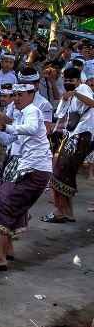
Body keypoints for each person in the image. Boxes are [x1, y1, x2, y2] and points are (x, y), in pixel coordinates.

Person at [0, 82, 53, 269]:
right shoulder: (21, 114)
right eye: (15, 94)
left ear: (31, 95)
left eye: (20, 95)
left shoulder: (33, 110)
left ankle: (0, 257)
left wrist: (4, 127)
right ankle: (6, 249)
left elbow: (31, 128)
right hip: (27, 168)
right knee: (2, 200)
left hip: (35, 170)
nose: (16, 98)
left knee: (4, 204)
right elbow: (8, 139)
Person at [47, 66, 94, 223]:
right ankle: (67, 211)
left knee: (62, 172)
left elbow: (92, 104)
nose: (68, 82)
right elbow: (61, 114)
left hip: (81, 135)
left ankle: (62, 211)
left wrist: (75, 94)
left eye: (71, 80)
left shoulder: (83, 89)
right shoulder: (69, 93)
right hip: (71, 134)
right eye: (66, 80)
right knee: (65, 172)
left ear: (78, 80)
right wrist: (66, 98)